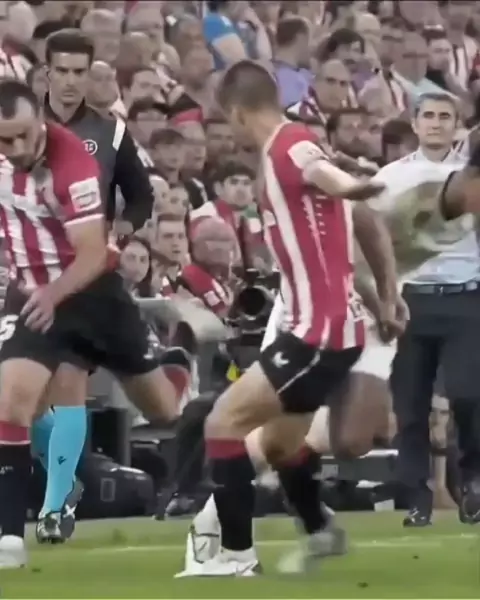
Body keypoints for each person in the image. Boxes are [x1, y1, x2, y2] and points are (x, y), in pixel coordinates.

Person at [176, 59, 399, 578]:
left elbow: (325, 174)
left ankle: (235, 556)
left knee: (223, 424)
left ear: (237, 112)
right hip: (328, 328)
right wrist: (379, 299)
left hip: (315, 333)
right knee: (280, 444)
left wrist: (355, 186)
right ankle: (320, 531)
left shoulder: (288, 145)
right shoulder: (288, 149)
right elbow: (336, 250)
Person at [0, 80, 196, 567]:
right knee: (12, 403)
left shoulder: (72, 163)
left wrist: (52, 295)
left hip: (90, 292)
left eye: (25, 135)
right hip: (31, 293)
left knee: (164, 409)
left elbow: (90, 255)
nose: (17, 147)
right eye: (5, 139)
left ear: (40, 122)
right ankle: (11, 536)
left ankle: (176, 370)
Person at [30, 27, 157, 542]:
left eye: (78, 72)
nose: (69, 82)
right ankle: (62, 492)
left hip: (86, 278)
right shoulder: (19, 126)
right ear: (45, 73)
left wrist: (122, 230)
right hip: (27, 275)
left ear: (91, 75)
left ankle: (56, 504)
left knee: (70, 383)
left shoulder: (110, 133)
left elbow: (141, 196)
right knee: (22, 401)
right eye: (60, 71)